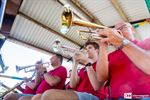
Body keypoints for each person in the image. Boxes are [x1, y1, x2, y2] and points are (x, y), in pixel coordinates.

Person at [31, 41, 106, 100]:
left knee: (49, 95)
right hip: (78, 94)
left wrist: (87, 62)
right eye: (86, 48)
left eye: (89, 48)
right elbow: (73, 84)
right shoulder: (83, 69)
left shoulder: (101, 64)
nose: (86, 50)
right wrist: (75, 63)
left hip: (94, 96)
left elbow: (97, 86)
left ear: (97, 50)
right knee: (36, 97)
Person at [96, 22, 150, 99]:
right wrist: (102, 46)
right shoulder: (110, 56)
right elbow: (101, 78)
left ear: (132, 29)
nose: (117, 32)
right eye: (115, 30)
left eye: (122, 28)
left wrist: (120, 41)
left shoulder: (147, 42)